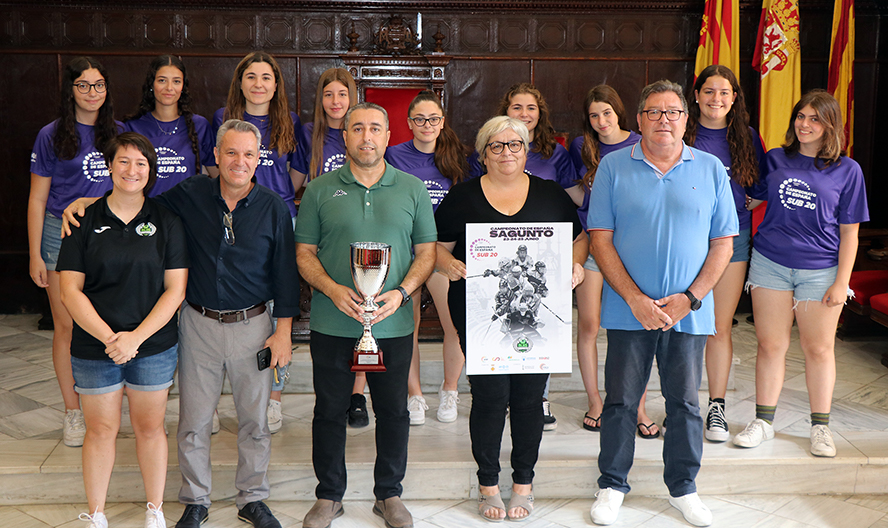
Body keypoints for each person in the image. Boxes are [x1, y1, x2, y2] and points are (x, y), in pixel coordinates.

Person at [64, 119, 298, 528]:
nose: (238, 162)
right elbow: (134, 199)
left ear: (258, 159)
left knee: (256, 421)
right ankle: (195, 500)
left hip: (255, 326)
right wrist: (86, 201)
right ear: (216, 156)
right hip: (198, 324)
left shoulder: (274, 208)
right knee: (194, 420)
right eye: (230, 152)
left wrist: (283, 331)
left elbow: (285, 274)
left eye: (248, 154)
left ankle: (252, 499)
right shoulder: (189, 195)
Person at [587, 80, 737, 527]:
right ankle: (612, 485)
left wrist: (689, 299)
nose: (664, 120)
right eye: (654, 112)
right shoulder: (613, 166)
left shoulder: (710, 168)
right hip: (629, 310)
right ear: (639, 120)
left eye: (673, 112)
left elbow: (724, 243)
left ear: (686, 120)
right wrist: (634, 299)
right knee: (620, 402)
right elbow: (600, 239)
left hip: (687, 312)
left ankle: (684, 489)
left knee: (686, 404)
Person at [435, 116, 586, 522]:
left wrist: (575, 265)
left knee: (528, 399)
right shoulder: (462, 197)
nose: (506, 153)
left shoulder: (551, 195)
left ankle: (523, 483)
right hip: (479, 313)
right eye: (496, 146)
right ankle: (488, 484)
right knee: (488, 398)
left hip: (537, 320)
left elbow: (579, 239)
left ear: (526, 149)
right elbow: (435, 247)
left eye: (514, 145)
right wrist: (447, 263)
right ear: (483, 154)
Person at [295, 102, 437, 528]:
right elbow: (303, 254)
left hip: (391, 323)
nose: (367, 137)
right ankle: (328, 495)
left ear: (388, 135)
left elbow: (427, 252)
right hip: (333, 321)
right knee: (329, 409)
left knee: (393, 410)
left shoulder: (412, 188)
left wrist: (402, 292)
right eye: (357, 128)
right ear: (345, 136)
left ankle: (389, 494)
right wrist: (334, 289)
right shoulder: (319, 190)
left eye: (375, 128)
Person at [59, 132, 189, 528]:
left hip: (152, 347)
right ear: (109, 166)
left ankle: (155, 510)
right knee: (100, 431)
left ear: (151, 172)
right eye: (124, 162)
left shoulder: (167, 221)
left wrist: (135, 339)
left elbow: (175, 290)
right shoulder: (84, 218)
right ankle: (96, 514)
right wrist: (109, 339)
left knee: (151, 429)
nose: (132, 170)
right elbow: (70, 290)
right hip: (95, 347)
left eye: (141, 164)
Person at [733, 90, 868, 458]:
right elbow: (755, 197)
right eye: (800, 116)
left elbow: (849, 232)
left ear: (830, 126)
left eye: (814, 119)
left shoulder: (847, 170)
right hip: (770, 263)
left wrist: (843, 282)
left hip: (821, 270)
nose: (805, 124)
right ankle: (763, 422)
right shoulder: (775, 158)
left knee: (818, 349)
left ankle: (820, 428)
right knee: (770, 345)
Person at [28, 56, 120, 448]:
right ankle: (73, 411)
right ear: (70, 90)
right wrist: (35, 255)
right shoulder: (50, 135)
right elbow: (37, 198)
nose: (91, 93)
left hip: (110, 234)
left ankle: (111, 404)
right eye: (83, 85)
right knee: (67, 325)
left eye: (98, 85)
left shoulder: (118, 131)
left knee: (109, 319)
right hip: (60, 234)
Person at [212, 51, 300, 433]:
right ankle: (210, 401)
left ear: (276, 84)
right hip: (230, 215)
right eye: (251, 76)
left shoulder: (291, 122)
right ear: (240, 82)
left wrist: (271, 202)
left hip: (276, 217)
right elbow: (213, 170)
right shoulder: (221, 118)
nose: (259, 83)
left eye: (267, 77)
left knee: (274, 309)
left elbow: (296, 175)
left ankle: (273, 397)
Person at [568, 85, 659, 439]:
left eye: (606, 113)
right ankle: (595, 401)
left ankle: (637, 405)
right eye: (594, 115)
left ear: (619, 112)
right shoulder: (582, 147)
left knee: (638, 328)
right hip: (593, 244)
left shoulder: (640, 142)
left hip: (633, 248)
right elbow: (577, 193)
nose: (601, 121)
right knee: (590, 325)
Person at [684, 65, 765, 443]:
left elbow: (763, 183)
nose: (717, 99)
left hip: (732, 240)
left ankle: (716, 407)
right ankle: (682, 404)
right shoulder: (681, 130)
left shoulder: (746, 136)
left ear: (735, 98)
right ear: (696, 94)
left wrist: (750, 201)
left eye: (725, 92)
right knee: (683, 326)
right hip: (684, 241)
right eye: (709, 91)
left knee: (717, 324)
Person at [384, 90, 470, 425]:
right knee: (410, 328)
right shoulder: (392, 156)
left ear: (442, 121)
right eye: (419, 119)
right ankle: (415, 395)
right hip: (406, 250)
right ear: (408, 123)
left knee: (455, 324)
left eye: (433, 119)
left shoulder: (458, 157)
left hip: (443, 251)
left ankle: (450, 390)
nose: (426, 125)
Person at [124, 55, 216, 195]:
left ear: (183, 87)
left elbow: (216, 174)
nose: (169, 88)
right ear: (151, 85)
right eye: (162, 81)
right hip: (146, 212)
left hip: (187, 211)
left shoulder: (199, 125)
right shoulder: (132, 127)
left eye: (176, 81)